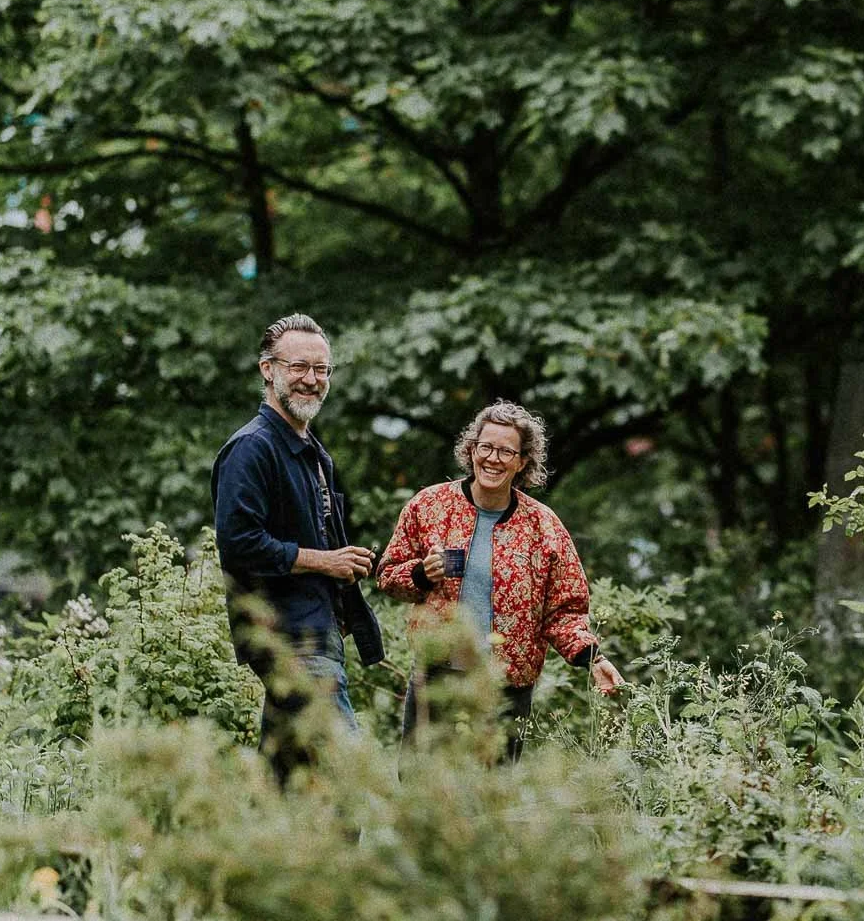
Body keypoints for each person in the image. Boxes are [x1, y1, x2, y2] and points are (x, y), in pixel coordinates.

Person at [378, 399, 620, 755]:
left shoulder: (543, 526)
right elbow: (387, 574)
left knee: (492, 795)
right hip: (438, 675)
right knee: (422, 783)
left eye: (506, 451)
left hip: (507, 684)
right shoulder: (428, 506)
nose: (493, 458)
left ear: (523, 461)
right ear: (471, 449)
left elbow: (564, 609)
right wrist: (421, 574)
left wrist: (593, 659)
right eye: (486, 447)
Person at [212, 313, 384, 778]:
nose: (312, 380)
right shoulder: (252, 448)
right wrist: (323, 562)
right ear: (269, 369)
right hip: (289, 639)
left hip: (315, 632)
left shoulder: (312, 452)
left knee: (285, 791)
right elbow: (239, 544)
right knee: (351, 777)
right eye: (299, 367)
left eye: (322, 370)